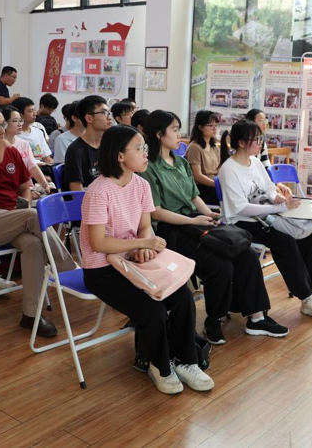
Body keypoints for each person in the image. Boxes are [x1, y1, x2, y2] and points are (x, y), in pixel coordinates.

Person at [80, 124, 214, 394]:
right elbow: (98, 244)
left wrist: (144, 248)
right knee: (153, 310)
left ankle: (186, 360)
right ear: (120, 156)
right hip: (102, 269)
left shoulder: (141, 184)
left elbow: (144, 228)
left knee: (183, 298)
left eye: (145, 147)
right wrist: (142, 244)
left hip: (133, 261)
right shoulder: (98, 191)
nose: (146, 153)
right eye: (139, 148)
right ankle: (159, 365)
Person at [141, 111, 286, 344]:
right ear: (159, 134)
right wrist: (194, 220)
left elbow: (194, 196)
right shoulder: (149, 168)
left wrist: (208, 214)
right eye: (174, 129)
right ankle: (213, 320)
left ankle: (257, 318)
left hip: (196, 222)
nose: (179, 134)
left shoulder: (180, 163)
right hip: (173, 230)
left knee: (247, 255)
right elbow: (156, 212)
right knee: (220, 266)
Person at [0, 102, 76, 338]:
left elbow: (24, 188)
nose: (3, 130)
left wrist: (24, 204)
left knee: (33, 242)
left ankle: (31, 315)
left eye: (3, 124)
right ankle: (68, 270)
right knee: (34, 215)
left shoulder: (12, 153)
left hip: (14, 217)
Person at [218, 120, 312, 321]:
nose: (260, 143)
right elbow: (240, 208)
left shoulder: (255, 162)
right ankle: (307, 298)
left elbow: (268, 186)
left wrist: (275, 196)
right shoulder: (229, 169)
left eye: (260, 139)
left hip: (266, 216)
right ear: (241, 143)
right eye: (256, 139)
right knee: (285, 241)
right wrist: (277, 208)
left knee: (311, 235)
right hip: (243, 222)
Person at [2, 106, 52, 197]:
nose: (19, 124)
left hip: (26, 188)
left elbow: (32, 166)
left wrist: (45, 184)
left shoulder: (24, 144)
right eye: (15, 121)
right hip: (11, 191)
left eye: (20, 120)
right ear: (4, 124)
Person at [64, 95, 111, 191]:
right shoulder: (75, 150)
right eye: (104, 113)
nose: (109, 117)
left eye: (109, 113)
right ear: (89, 118)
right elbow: (76, 191)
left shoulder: (110, 146)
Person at [245, 109, 291, 199]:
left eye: (265, 120)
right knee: (278, 197)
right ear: (251, 123)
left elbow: (267, 167)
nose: (264, 124)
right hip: (251, 186)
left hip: (260, 183)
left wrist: (277, 183)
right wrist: (272, 188)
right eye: (261, 121)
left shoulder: (262, 142)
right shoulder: (246, 143)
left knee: (285, 194)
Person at [186, 110, 221, 206]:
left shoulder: (214, 146)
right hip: (201, 188)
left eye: (216, 125)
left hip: (214, 184)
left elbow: (219, 169)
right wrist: (218, 185)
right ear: (200, 127)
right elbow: (197, 176)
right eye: (211, 125)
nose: (215, 128)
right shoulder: (194, 147)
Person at [11, 97, 53, 164]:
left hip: (41, 168)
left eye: (34, 110)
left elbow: (46, 158)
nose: (35, 113)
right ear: (20, 114)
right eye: (31, 111)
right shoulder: (12, 135)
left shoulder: (38, 132)